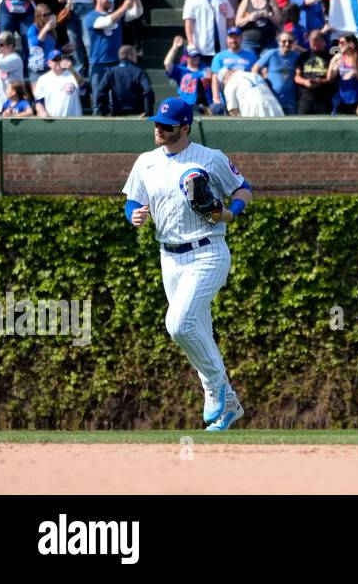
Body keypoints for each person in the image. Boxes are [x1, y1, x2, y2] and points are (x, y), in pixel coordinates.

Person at [122, 97, 254, 431]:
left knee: (179, 325)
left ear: (184, 127)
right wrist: (133, 214)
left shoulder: (210, 158)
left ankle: (216, 390)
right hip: (169, 256)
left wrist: (231, 212)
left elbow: (243, 189)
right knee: (198, 333)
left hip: (208, 251)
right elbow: (134, 199)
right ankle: (230, 407)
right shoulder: (146, 162)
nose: (158, 129)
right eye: (156, 123)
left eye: (166, 125)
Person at [32, 50, 84, 117]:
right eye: (54, 60)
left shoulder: (72, 74)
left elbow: (82, 85)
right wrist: (42, 112)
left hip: (74, 120)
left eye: (59, 59)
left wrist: (72, 70)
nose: (57, 62)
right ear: (48, 63)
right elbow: (39, 101)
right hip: (53, 121)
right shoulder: (42, 79)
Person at [108, 45, 155, 117]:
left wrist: (103, 112)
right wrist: (148, 111)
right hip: (138, 115)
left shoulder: (112, 71)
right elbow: (148, 91)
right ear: (130, 56)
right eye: (135, 55)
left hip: (117, 115)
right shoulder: (139, 71)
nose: (136, 58)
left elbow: (100, 92)